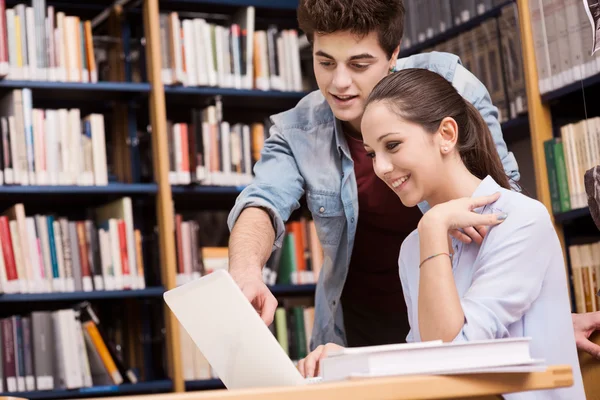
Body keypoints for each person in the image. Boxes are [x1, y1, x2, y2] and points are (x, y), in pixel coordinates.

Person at [226, 0, 600, 359]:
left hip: (467, 322)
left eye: (359, 64)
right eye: (325, 62)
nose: (339, 82)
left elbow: (500, 205)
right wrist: (246, 274)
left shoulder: (447, 87)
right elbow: (263, 201)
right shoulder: (300, 129)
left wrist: (529, 319)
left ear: (393, 55)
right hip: (371, 329)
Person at [297, 68, 585, 399]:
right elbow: (426, 363)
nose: (381, 168)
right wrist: (347, 361)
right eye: (373, 154)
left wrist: (433, 228)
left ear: (446, 134)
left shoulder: (521, 220)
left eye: (393, 145)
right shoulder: (413, 247)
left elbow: (454, 359)